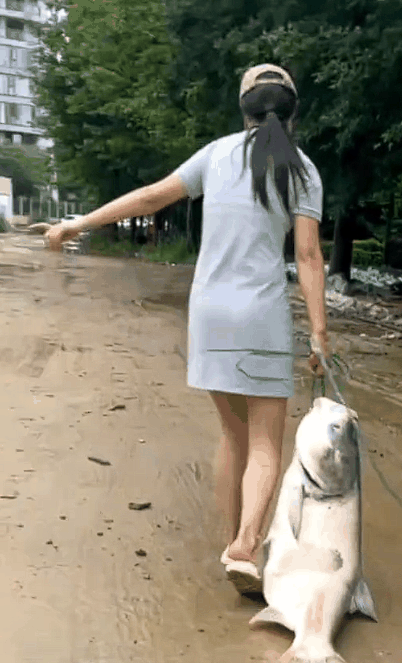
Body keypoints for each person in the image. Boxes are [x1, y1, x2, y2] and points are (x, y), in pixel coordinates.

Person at [46, 63, 330, 595]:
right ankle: (247, 545)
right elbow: (308, 255)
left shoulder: (215, 155)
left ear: (243, 109)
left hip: (209, 314)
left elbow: (150, 197)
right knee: (267, 443)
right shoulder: (303, 170)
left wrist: (76, 224)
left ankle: (231, 546)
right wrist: (319, 333)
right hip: (261, 316)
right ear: (293, 113)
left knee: (232, 434)